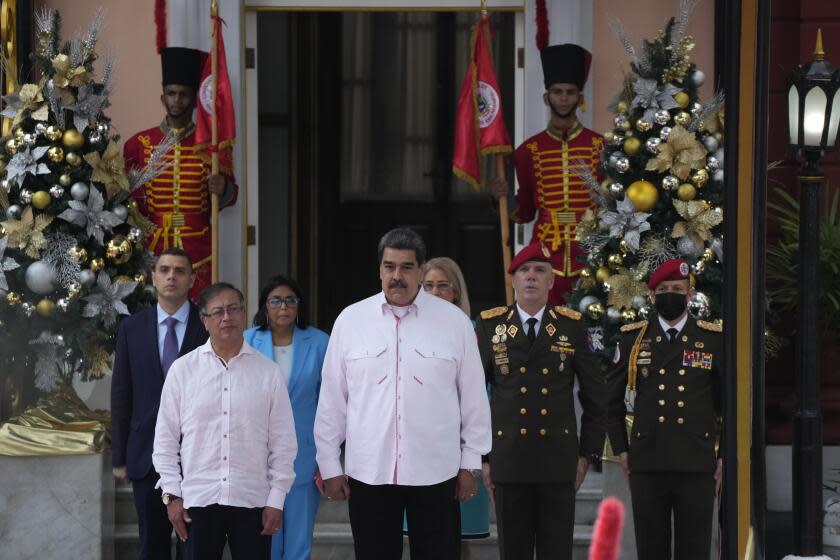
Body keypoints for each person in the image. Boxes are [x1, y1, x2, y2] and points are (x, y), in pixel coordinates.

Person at [314, 228, 492, 560]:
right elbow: (333, 400)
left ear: (422, 270)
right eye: (389, 266)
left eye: (407, 267)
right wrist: (329, 463)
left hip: (437, 472)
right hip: (370, 471)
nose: (397, 276)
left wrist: (471, 464)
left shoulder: (454, 323)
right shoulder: (351, 321)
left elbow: (473, 401)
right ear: (379, 270)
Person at [475, 243, 605, 559]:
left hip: (558, 463)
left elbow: (596, 398)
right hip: (509, 461)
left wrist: (587, 455)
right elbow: (474, 397)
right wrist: (482, 458)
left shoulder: (572, 326)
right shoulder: (491, 325)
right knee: (514, 552)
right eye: (524, 270)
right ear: (513, 281)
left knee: (556, 552)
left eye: (539, 270)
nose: (531, 276)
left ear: (551, 281)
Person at [153, 283, 298, 560]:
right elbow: (165, 440)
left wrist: (277, 499)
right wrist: (171, 495)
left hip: (252, 498)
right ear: (204, 320)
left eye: (233, 309)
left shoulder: (268, 373)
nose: (227, 317)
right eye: (218, 312)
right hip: (198, 499)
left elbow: (283, 443)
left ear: (243, 315)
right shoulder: (183, 371)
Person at [606, 259, 723, 560]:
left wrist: (723, 457)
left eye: (677, 289)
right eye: (663, 289)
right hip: (648, 462)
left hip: (696, 463)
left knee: (694, 550)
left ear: (689, 293)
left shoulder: (711, 340)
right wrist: (622, 449)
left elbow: (728, 406)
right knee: (651, 549)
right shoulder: (634, 339)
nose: (670, 294)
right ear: (652, 295)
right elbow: (611, 401)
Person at [111, 247, 208, 560]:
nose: (171, 276)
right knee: (151, 546)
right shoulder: (131, 328)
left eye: (180, 270)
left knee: (193, 548)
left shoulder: (206, 326)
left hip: (197, 455)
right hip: (146, 454)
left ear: (192, 279)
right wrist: (119, 456)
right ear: (152, 276)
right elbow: (122, 393)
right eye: (164, 269)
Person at [491, 43, 604, 305]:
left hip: (590, 254)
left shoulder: (601, 146)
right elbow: (526, 212)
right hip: (545, 255)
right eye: (557, 92)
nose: (563, 98)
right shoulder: (527, 151)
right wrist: (502, 198)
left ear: (579, 97)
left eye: (570, 92)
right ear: (546, 97)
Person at [123, 47, 238, 301]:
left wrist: (224, 189)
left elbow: (232, 195)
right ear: (163, 97)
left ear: (194, 98)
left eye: (183, 95)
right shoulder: (137, 144)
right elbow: (129, 201)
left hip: (199, 251)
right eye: (171, 93)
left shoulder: (213, 145)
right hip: (153, 248)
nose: (177, 100)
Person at [244, 275, 329, 560]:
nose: (284, 306)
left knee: (298, 542)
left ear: (299, 306)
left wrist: (328, 457)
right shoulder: (247, 341)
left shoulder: (319, 342)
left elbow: (330, 401)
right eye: (276, 300)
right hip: (256, 453)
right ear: (264, 306)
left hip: (304, 454)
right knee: (263, 540)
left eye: (290, 300)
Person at [419, 257, 490, 558]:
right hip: (417, 448)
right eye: (428, 286)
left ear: (456, 292)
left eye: (442, 286)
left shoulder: (472, 331)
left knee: (457, 537)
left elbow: (480, 393)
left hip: (459, 448)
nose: (435, 293)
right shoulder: (406, 328)